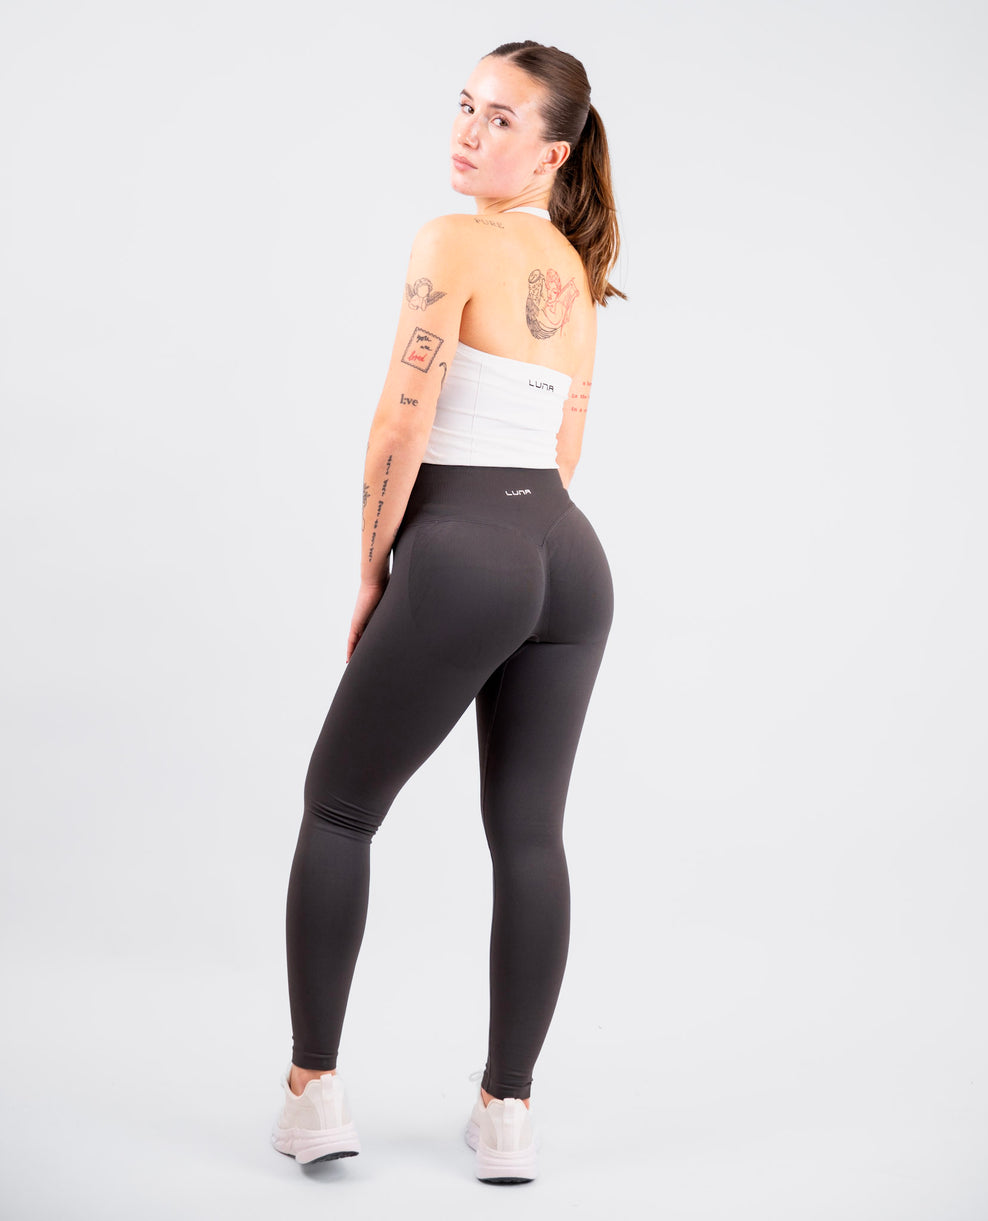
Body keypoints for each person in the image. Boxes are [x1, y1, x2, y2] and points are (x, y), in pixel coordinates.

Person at [270, 38, 625, 1184]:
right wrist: (519, 544)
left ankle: (313, 1093)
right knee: (529, 835)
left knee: (338, 809)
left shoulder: (451, 240)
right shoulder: (574, 265)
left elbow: (400, 419)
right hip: (567, 558)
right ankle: (506, 1112)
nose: (469, 132)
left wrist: (378, 569)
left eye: (501, 119)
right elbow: (567, 440)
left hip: (465, 549)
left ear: (552, 153)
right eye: (465, 106)